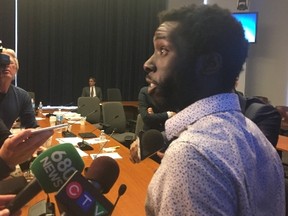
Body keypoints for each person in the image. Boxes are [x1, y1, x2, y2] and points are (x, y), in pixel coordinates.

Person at [140, 4, 284, 215]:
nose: (148, 63)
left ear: (209, 64)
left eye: (163, 50)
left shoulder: (191, 154)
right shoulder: (255, 135)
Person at [0, 48, 37, 129]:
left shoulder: (22, 96)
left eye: (10, 63)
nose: (6, 65)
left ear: (16, 69)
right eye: (2, 63)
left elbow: (31, 127)